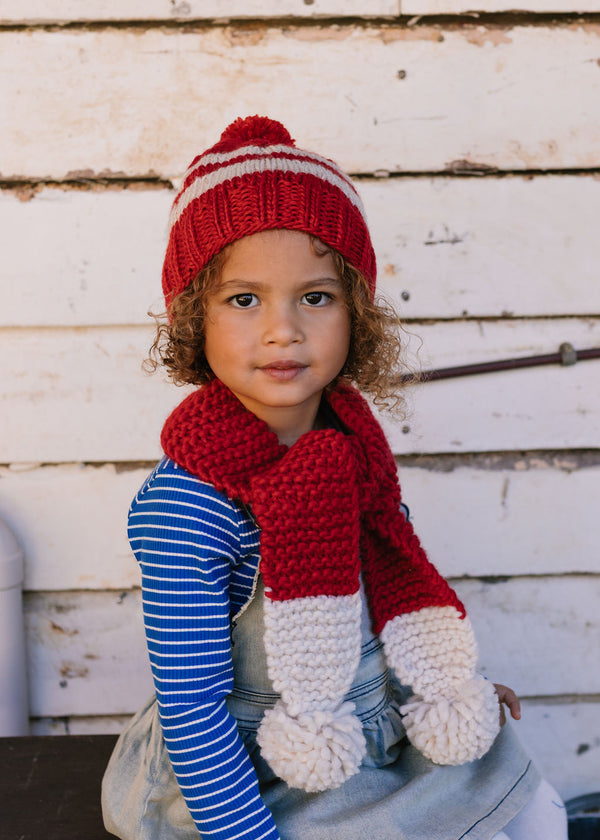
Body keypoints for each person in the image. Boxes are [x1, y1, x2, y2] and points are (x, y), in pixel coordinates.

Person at [102, 115, 568, 840]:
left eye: (315, 297)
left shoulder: (352, 450)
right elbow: (192, 708)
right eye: (244, 298)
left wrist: (443, 684)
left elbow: (390, 592)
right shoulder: (190, 507)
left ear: (356, 314)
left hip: (364, 727)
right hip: (250, 775)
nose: (282, 329)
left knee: (529, 799)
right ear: (195, 317)